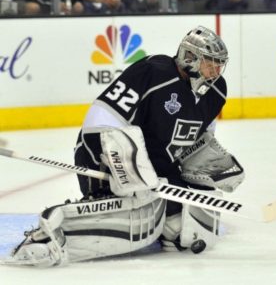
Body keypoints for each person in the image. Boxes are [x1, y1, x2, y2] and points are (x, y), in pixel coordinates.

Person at [8, 26, 245, 266]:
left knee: (180, 227)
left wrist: (202, 168)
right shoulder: (155, 71)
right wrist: (117, 160)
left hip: (158, 167)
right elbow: (102, 118)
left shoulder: (217, 91)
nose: (215, 70)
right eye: (210, 63)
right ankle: (47, 236)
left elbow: (198, 140)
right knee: (135, 216)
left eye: (219, 64)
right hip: (109, 153)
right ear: (190, 58)